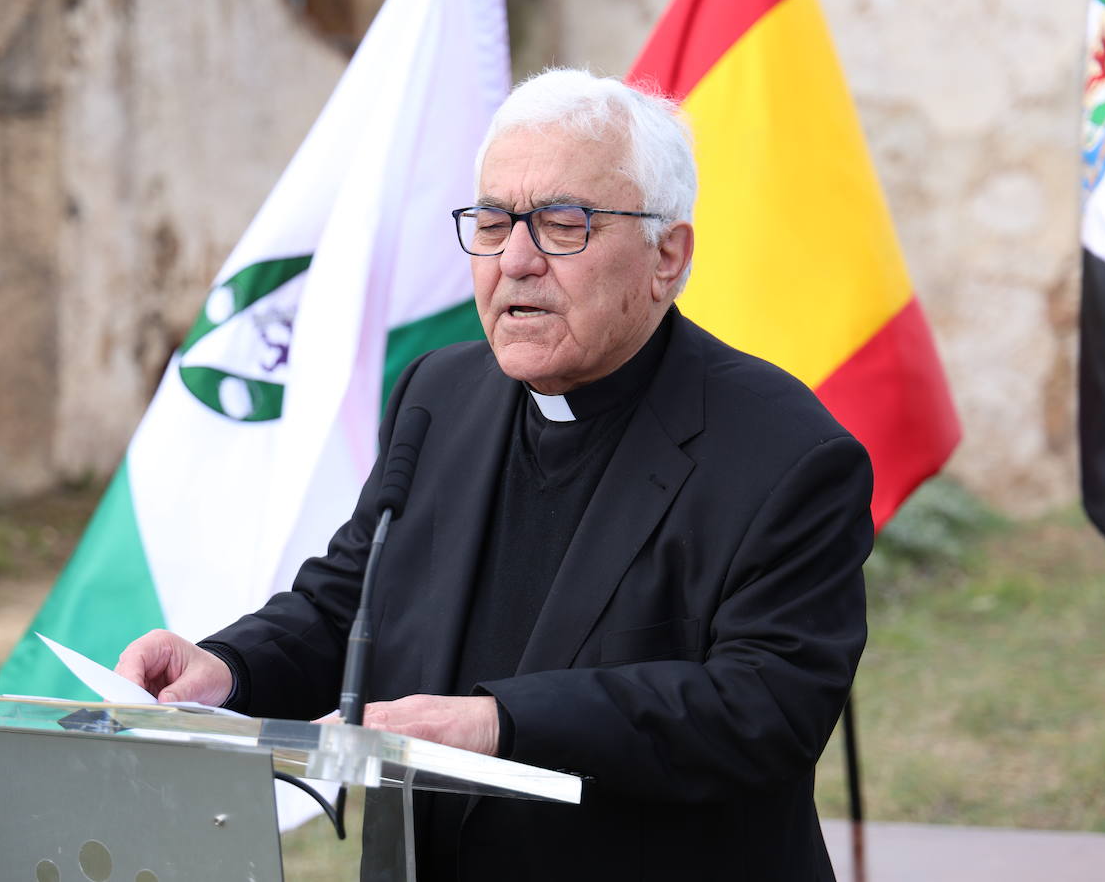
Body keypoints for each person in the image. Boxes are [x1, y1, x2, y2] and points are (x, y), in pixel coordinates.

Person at [117, 68, 874, 881]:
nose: (514, 260)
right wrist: (229, 670)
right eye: (491, 220)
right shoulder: (440, 394)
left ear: (667, 254)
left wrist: (502, 725)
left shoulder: (786, 451)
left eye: (562, 223)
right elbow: (351, 602)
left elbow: (763, 710)